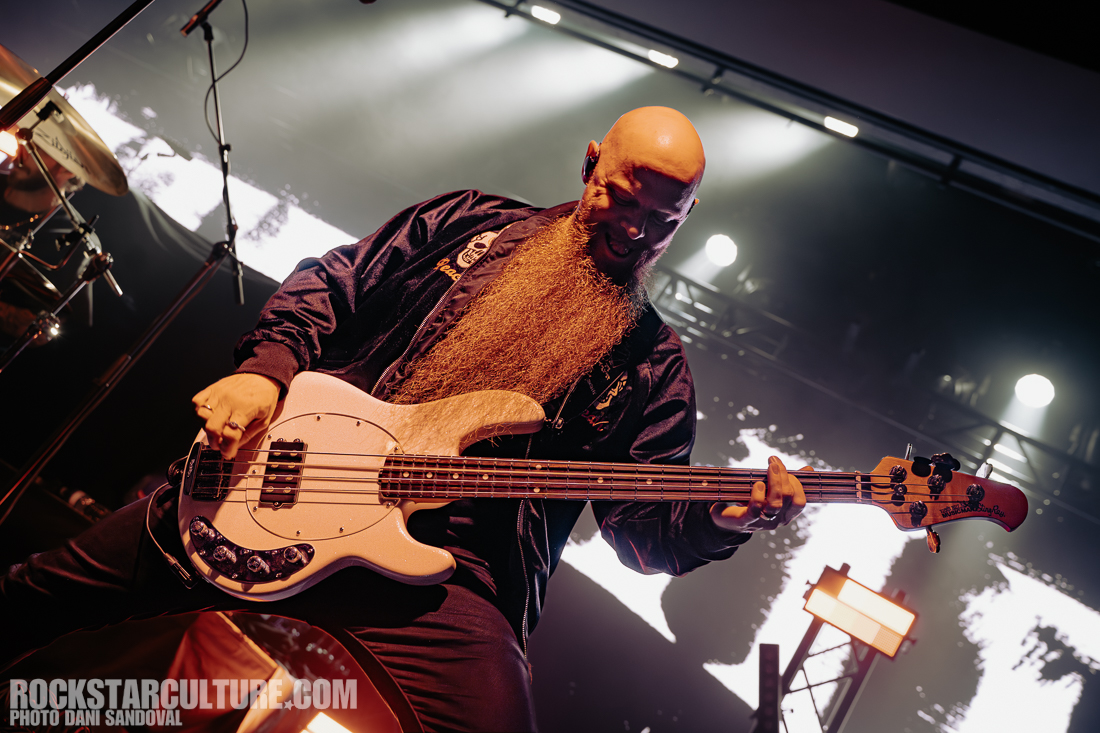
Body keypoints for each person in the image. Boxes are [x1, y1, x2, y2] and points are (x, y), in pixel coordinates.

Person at [1, 107, 806, 731]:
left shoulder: (651, 365)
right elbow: (333, 285)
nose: (635, 230)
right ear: (591, 161)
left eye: (663, 220)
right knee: (35, 597)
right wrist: (264, 373)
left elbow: (645, 532)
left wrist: (720, 517)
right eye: (622, 199)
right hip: (288, 475)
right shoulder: (467, 224)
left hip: (451, 576)